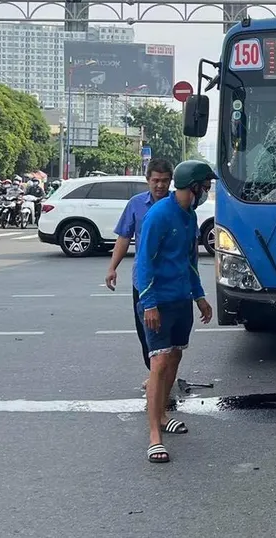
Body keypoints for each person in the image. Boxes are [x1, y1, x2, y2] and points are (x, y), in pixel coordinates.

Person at [136, 160, 215, 464]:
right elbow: (144, 262)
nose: (207, 192)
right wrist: (150, 302)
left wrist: (200, 297)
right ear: (192, 187)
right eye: (204, 187)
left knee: (176, 356)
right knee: (158, 362)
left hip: (182, 299)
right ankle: (154, 434)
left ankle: (164, 412)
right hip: (160, 301)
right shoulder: (159, 215)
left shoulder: (189, 215)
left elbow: (190, 261)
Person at [105, 158, 174, 384]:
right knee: (146, 332)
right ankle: (154, 372)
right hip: (143, 281)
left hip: (172, 280)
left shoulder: (179, 204)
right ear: (148, 180)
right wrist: (112, 268)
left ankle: (165, 373)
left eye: (165, 181)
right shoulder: (136, 204)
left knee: (172, 332)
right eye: (156, 180)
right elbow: (124, 237)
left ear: (171, 181)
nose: (160, 185)